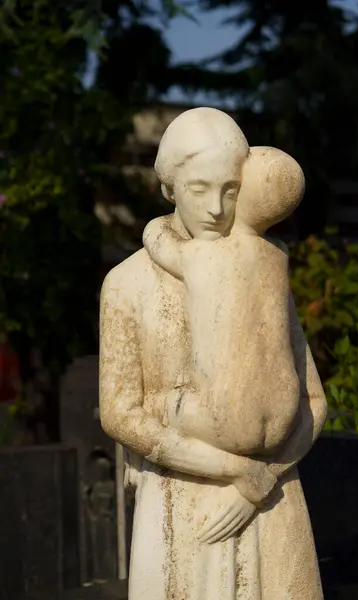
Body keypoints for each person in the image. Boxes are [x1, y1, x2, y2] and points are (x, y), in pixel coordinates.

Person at [100, 108, 326, 599]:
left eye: (229, 190)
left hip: (270, 498)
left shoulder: (261, 271)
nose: (216, 208)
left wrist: (260, 478)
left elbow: (312, 400)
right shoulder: (127, 284)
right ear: (169, 188)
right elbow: (120, 412)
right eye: (199, 189)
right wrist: (233, 471)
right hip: (182, 501)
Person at [142, 146, 305, 457]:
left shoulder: (203, 255)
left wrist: (154, 224)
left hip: (227, 419)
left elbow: (159, 242)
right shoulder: (279, 254)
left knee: (158, 404)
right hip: (285, 413)